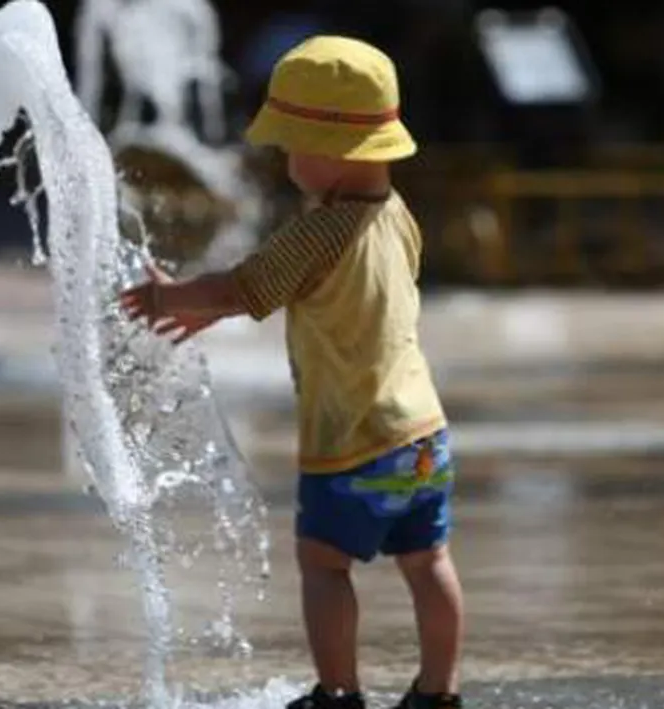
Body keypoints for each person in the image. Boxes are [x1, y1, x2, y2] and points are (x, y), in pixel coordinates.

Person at [120, 35, 464, 709]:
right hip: (422, 434)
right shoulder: (397, 217)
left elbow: (242, 285)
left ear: (333, 150)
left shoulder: (320, 232)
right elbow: (288, 295)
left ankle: (338, 693)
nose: (283, 160)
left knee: (324, 564)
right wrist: (211, 313)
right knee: (429, 564)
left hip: (354, 439)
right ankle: (439, 692)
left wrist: (166, 299)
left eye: (290, 146)